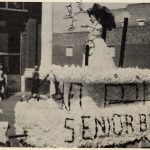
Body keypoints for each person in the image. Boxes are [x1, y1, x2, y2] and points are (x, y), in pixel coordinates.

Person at [82, 3, 116, 71]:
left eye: (91, 17)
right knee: (90, 58)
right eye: (90, 17)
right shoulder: (92, 25)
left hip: (97, 42)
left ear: (96, 17)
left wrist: (91, 36)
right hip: (91, 43)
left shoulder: (99, 25)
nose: (90, 18)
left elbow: (97, 33)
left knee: (99, 57)